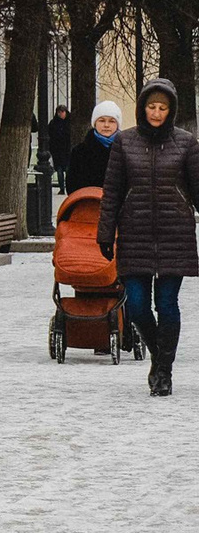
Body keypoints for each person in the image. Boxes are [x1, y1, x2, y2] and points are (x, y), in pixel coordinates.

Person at [98, 78, 199, 397]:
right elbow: (112, 191)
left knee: (167, 304)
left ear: (171, 110)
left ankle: (163, 373)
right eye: (152, 106)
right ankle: (160, 357)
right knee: (138, 305)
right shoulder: (124, 142)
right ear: (142, 108)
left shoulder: (186, 143)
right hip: (135, 232)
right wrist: (105, 231)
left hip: (175, 235)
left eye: (163, 107)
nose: (156, 113)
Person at [70, 101, 122, 195]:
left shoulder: (125, 151)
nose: (106, 125)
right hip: (89, 206)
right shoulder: (80, 152)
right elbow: (72, 187)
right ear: (94, 123)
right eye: (101, 120)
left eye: (111, 121)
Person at [39, 105, 74, 188]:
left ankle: (69, 186)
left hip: (67, 150)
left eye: (62, 112)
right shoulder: (53, 123)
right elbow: (50, 135)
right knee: (59, 169)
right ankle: (61, 187)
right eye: (59, 112)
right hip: (57, 150)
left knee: (68, 170)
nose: (60, 114)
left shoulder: (70, 122)